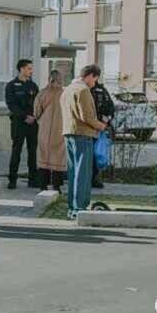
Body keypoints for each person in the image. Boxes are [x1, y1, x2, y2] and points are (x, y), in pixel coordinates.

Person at [60, 65, 109, 219]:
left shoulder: (67, 90)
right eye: (95, 79)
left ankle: (72, 207)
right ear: (90, 76)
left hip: (69, 133)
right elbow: (87, 117)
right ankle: (80, 208)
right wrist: (101, 126)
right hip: (82, 134)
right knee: (83, 173)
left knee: (73, 172)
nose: (95, 83)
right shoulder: (83, 90)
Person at [5, 59, 40, 189]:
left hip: (33, 123)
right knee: (16, 150)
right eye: (29, 68)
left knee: (32, 151)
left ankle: (33, 179)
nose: (31, 71)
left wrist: (35, 116)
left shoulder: (33, 86)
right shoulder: (11, 86)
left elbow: (38, 103)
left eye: (31, 68)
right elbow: (11, 105)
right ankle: (12, 179)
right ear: (22, 69)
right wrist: (24, 116)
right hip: (19, 123)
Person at [34, 69, 67, 191]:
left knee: (44, 156)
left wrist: (41, 119)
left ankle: (43, 186)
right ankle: (56, 186)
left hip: (45, 128)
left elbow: (36, 112)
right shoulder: (65, 94)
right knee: (58, 157)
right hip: (61, 128)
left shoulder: (42, 93)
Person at [90, 78, 116, 189]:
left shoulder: (87, 90)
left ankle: (91, 179)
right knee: (98, 153)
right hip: (101, 126)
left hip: (91, 127)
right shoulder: (103, 90)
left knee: (92, 154)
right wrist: (106, 120)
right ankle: (95, 179)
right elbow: (111, 108)